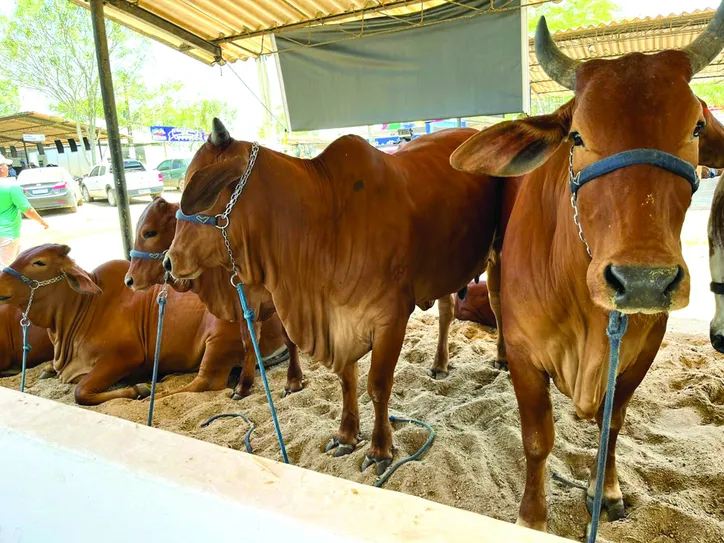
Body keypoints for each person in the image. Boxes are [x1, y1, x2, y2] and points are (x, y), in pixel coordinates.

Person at [0, 153, 49, 266]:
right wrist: (42, 222)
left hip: (7, 235)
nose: (8, 167)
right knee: (5, 269)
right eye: (6, 165)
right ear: (1, 168)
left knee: (20, 264)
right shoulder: (11, 186)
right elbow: (27, 210)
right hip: (7, 233)